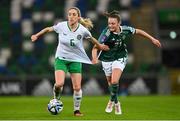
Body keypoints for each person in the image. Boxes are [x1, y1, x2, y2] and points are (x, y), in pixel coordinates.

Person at [31, 7, 109, 116]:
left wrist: (100, 46)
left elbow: (92, 39)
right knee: (59, 83)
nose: (71, 17)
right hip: (61, 59)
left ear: (78, 17)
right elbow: (48, 29)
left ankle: (76, 110)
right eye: (69, 14)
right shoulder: (61, 26)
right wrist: (37, 35)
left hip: (75, 60)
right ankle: (56, 98)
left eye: (73, 14)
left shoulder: (82, 30)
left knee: (77, 87)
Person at [92, 10, 161, 115]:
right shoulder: (106, 34)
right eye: (109, 23)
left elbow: (138, 31)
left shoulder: (125, 30)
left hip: (120, 57)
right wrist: (94, 58)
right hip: (106, 59)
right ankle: (117, 103)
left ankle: (110, 101)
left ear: (119, 23)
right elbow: (94, 48)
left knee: (114, 81)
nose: (110, 25)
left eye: (113, 23)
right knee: (111, 85)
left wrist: (152, 39)